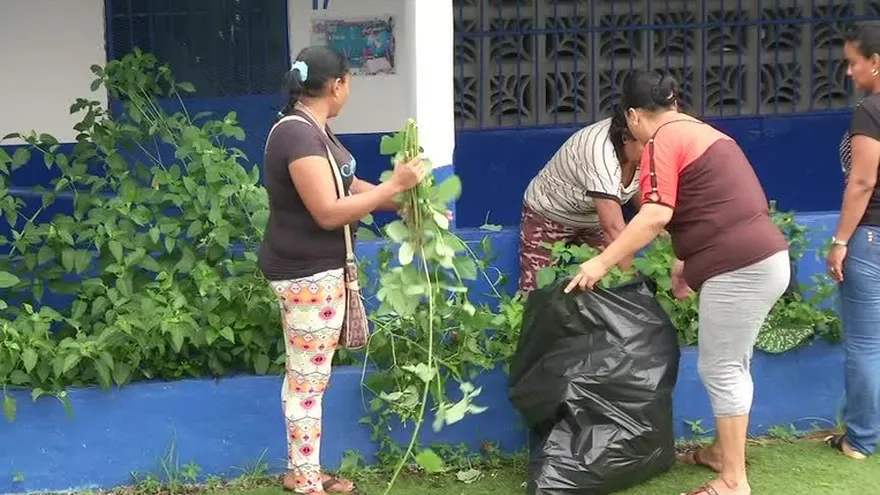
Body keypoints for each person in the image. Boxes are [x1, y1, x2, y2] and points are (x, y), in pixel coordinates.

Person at [564, 70, 789, 495]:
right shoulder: (702, 132)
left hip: (740, 266)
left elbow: (654, 215)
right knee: (731, 363)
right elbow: (711, 204)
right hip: (760, 258)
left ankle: (733, 481)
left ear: (632, 116)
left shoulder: (661, 141)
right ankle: (721, 454)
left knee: (721, 367)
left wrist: (600, 263)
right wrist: (683, 262)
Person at [258, 45, 425, 494]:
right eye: (349, 81)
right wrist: (395, 184)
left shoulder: (315, 131)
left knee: (306, 375)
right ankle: (308, 482)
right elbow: (330, 212)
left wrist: (405, 202)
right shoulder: (297, 136)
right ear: (337, 85)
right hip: (307, 273)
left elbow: (348, 185)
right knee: (308, 381)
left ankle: (301, 470)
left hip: (314, 270)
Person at [825, 20, 880, 461]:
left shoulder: (871, 110)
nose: (849, 72)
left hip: (872, 238)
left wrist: (840, 240)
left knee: (865, 343)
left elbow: (862, 181)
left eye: (853, 63)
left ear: (876, 63)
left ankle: (861, 440)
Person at [518, 111, 645, 292]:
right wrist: (633, 290)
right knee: (537, 293)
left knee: (605, 288)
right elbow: (614, 230)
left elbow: (641, 191)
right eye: (645, 144)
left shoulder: (645, 148)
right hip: (549, 213)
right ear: (626, 138)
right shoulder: (600, 152)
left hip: (595, 219)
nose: (652, 149)